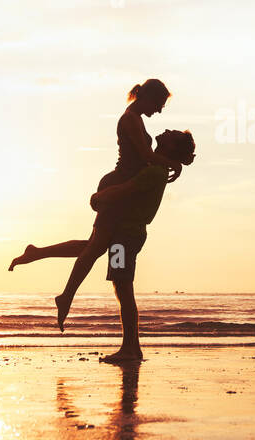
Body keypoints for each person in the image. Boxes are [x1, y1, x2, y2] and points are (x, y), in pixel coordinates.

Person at [9, 79, 181, 330]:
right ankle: (66, 295)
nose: (160, 110)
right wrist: (172, 163)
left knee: (95, 246)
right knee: (95, 250)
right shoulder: (130, 118)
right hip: (116, 189)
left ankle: (38, 254)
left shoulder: (137, 118)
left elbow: (144, 162)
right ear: (149, 97)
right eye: (160, 103)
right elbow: (144, 157)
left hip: (120, 195)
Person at [13, 129, 196, 364]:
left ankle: (130, 348)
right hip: (124, 233)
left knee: (123, 290)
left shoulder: (154, 171)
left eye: (173, 134)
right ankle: (38, 253)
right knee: (92, 248)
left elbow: (126, 189)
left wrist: (101, 196)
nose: (168, 130)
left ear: (171, 147)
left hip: (126, 237)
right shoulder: (155, 164)